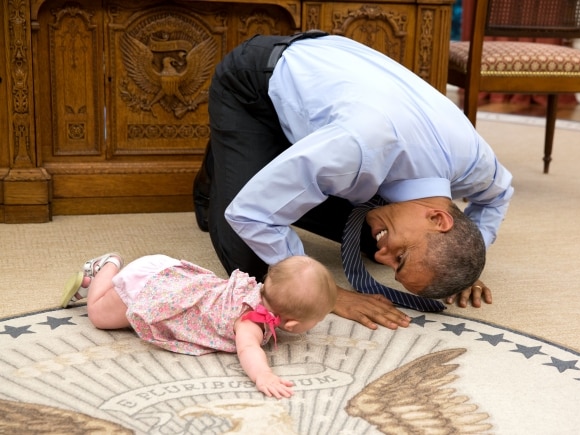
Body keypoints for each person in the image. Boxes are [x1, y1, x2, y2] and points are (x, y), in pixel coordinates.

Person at [193, 31, 514, 331]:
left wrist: (464, 264)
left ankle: (266, 161)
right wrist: (328, 293)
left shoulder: (475, 163)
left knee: (366, 234)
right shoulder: (360, 148)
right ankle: (229, 154)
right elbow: (250, 213)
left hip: (334, 105)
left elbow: (498, 196)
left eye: (394, 265)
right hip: (254, 85)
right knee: (256, 266)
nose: (380, 259)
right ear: (438, 218)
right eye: (399, 258)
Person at [60, 252, 337, 399]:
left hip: (171, 274)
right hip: (151, 289)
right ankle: (106, 267)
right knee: (97, 315)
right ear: (291, 323)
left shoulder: (255, 290)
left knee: (104, 312)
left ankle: (108, 277)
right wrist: (263, 375)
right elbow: (248, 350)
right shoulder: (250, 320)